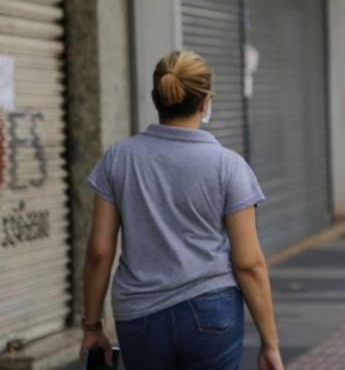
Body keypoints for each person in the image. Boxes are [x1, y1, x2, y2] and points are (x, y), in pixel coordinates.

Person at [78, 51, 284, 370]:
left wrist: (92, 327)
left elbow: (99, 253)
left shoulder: (119, 158)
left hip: (140, 314)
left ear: (155, 97)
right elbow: (249, 264)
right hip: (212, 310)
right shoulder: (229, 167)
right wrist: (269, 343)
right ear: (206, 102)